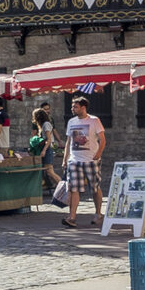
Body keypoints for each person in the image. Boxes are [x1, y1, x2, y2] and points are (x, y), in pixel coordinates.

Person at [61, 95, 107, 228]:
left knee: (94, 188)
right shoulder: (71, 122)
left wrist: (98, 154)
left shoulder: (94, 120)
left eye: (75, 106)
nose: (72, 108)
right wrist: (65, 159)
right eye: (72, 106)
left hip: (91, 160)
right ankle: (72, 217)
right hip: (74, 161)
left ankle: (98, 214)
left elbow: (102, 139)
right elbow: (69, 141)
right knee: (74, 189)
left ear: (83, 107)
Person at [29, 105, 60, 191]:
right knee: (48, 172)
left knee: (50, 171)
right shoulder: (43, 125)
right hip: (46, 149)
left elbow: (49, 140)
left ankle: (63, 187)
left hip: (47, 149)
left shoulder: (46, 124)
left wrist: (43, 150)